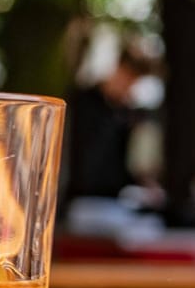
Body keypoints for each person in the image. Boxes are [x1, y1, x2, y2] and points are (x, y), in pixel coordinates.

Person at [64, 43, 158, 204]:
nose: (129, 88)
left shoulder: (125, 112)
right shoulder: (84, 102)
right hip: (83, 198)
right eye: (129, 80)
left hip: (113, 198)